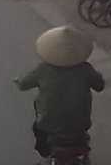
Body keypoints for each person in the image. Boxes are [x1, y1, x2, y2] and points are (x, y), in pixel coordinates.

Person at [15, 26, 105, 159]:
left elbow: (23, 85)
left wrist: (18, 81)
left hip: (48, 124)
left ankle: (46, 153)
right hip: (80, 123)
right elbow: (100, 86)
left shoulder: (43, 70)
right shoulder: (86, 69)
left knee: (38, 129)